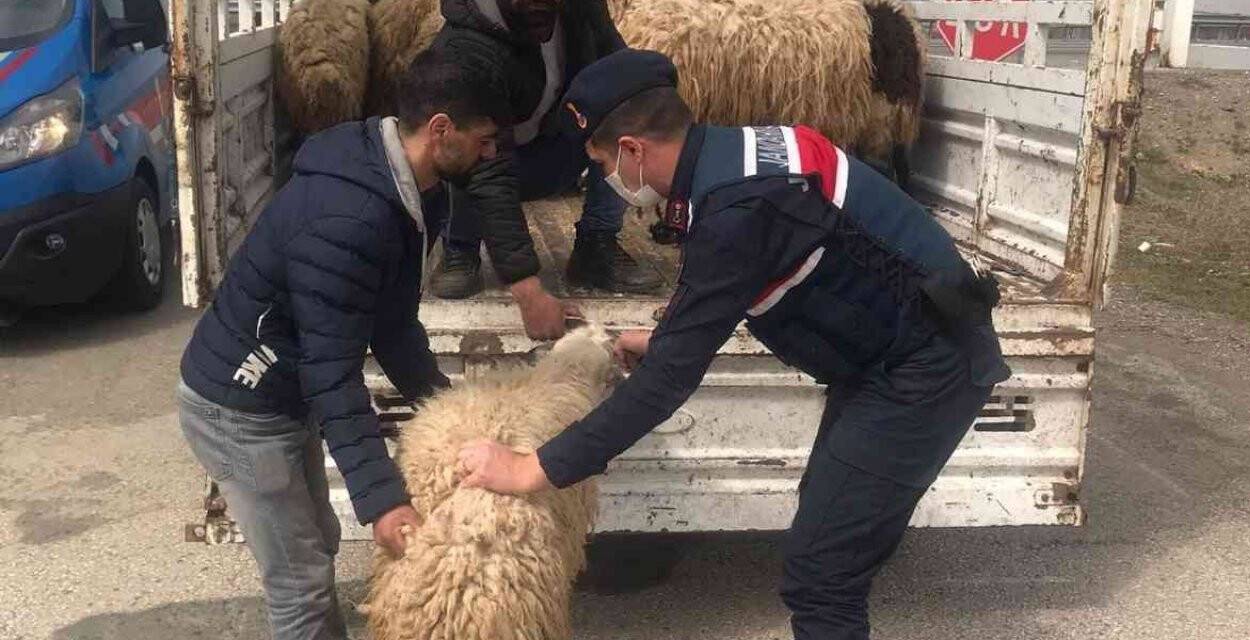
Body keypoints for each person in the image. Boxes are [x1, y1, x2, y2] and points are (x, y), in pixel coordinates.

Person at [456, 49, 1013, 640]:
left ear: (632, 151)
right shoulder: (735, 159)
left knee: (822, 572)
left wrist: (533, 468)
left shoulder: (736, 208)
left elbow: (666, 383)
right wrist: (670, 336)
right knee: (827, 525)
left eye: (600, 162)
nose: (605, 178)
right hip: (897, 350)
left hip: (925, 367)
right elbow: (760, 270)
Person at [176, 50, 507, 640]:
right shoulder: (349, 218)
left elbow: (392, 326)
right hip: (238, 407)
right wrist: (382, 499)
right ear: (440, 130)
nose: (491, 153)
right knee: (299, 580)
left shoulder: (412, 189)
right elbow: (331, 373)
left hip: (282, 392)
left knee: (319, 542)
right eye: (483, 140)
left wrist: (451, 411)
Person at [423, 0, 662, 328]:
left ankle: (596, 244)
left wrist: (660, 116)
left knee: (624, 106)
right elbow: (490, 172)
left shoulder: (579, 8)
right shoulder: (465, 47)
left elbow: (619, 66)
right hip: (488, 158)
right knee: (462, 143)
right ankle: (460, 248)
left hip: (552, 146)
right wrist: (526, 287)